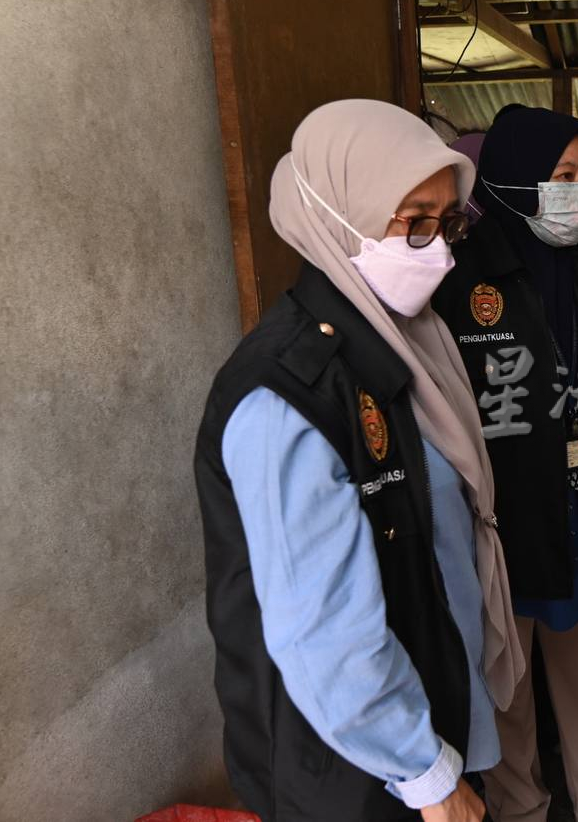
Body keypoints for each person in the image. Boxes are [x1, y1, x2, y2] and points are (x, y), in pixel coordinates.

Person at [194, 100, 522, 822]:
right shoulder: (286, 395)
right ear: (338, 216)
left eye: (449, 221)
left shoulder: (408, 338)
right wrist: (429, 776)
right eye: (414, 221)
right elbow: (325, 635)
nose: (438, 248)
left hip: (423, 724)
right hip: (353, 771)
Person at [431, 104, 578, 822]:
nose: (577, 191)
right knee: (510, 691)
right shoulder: (463, 278)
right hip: (504, 522)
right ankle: (521, 809)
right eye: (560, 176)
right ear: (514, 177)